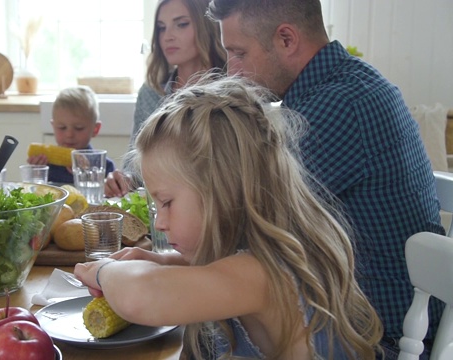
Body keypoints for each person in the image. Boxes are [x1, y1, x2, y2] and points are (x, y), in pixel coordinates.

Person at [75, 75, 383, 359]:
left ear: (222, 193)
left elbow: (140, 297)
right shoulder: (251, 260)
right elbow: (219, 271)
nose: (160, 223)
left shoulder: (261, 274)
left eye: (167, 203)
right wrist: (163, 261)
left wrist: (102, 270)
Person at [207, 0, 445, 358]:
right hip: (362, 318)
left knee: (206, 326)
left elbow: (242, 219)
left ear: (286, 39)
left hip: (380, 339)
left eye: (239, 52)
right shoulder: (344, 84)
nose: (233, 70)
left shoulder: (341, 105)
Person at [104, 0, 226, 197]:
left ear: (206, 26)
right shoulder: (150, 93)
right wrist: (122, 179)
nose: (167, 36)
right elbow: (134, 165)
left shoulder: (231, 91)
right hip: (158, 210)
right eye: (161, 28)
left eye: (181, 24)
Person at [27, 85, 115, 184]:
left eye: (79, 128)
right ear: (53, 126)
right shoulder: (48, 165)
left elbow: (109, 196)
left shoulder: (104, 166)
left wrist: (88, 176)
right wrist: (36, 174)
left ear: (95, 129)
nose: (69, 134)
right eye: (62, 128)